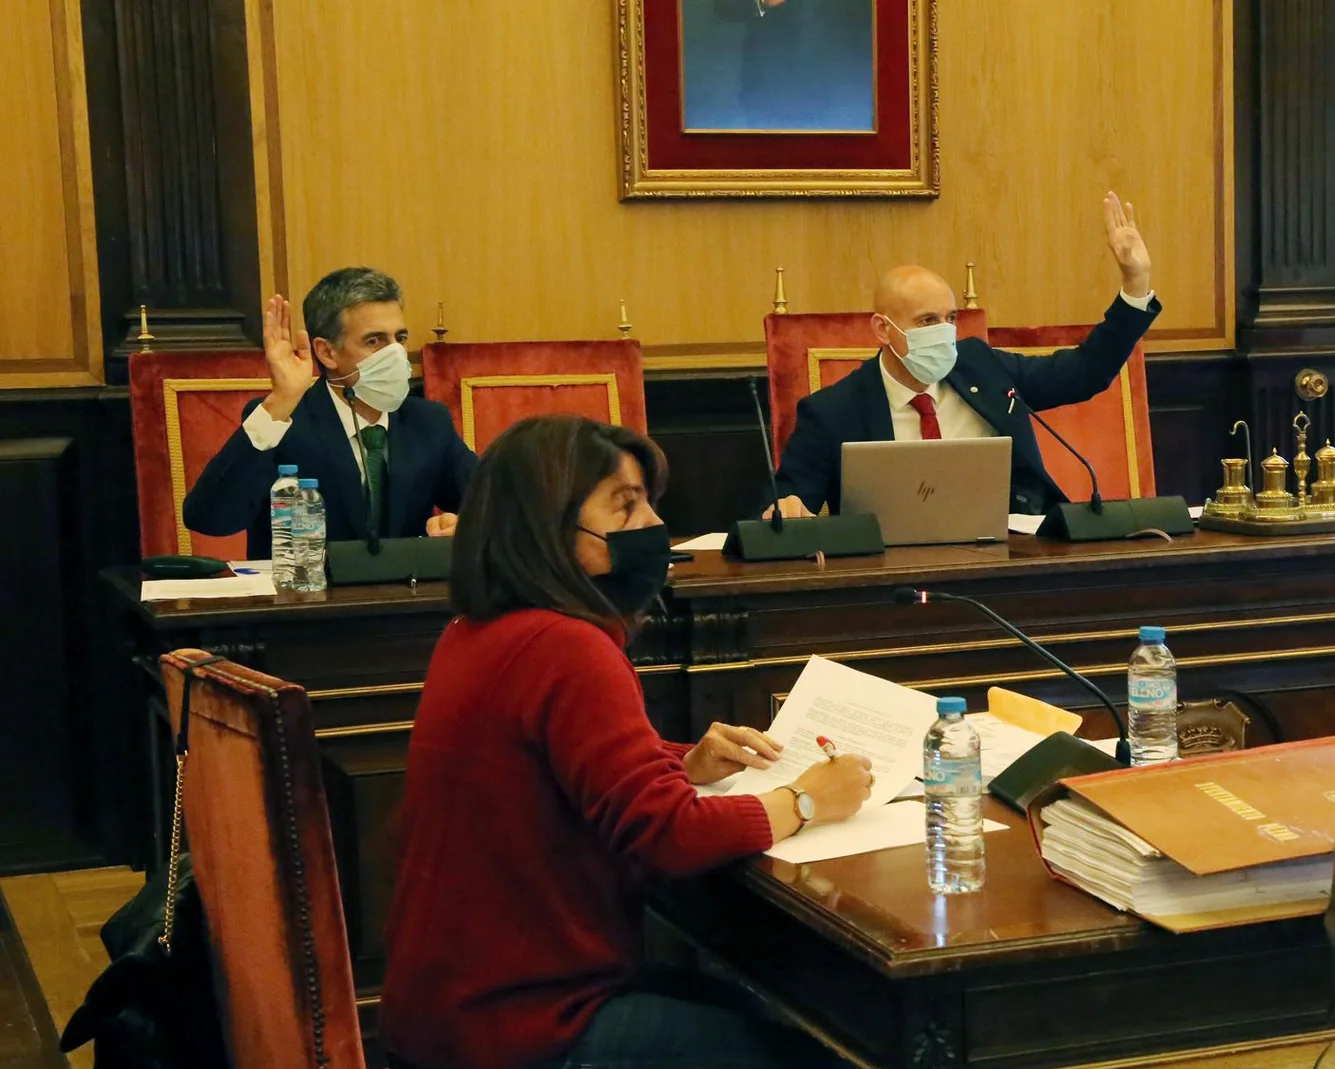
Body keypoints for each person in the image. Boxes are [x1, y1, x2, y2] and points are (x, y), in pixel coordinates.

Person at [380, 415, 870, 1069]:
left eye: (647, 502)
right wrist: (805, 800)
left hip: (447, 1013)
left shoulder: (477, 630)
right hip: (522, 1031)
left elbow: (555, 770)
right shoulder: (567, 645)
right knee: (827, 1053)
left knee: (765, 1015)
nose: (650, 526)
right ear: (550, 528)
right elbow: (668, 835)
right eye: (625, 504)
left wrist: (681, 762)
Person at [765, 192, 1159, 519]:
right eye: (927, 321)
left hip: (1007, 560)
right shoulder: (833, 411)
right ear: (883, 329)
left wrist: (1135, 283)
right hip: (892, 581)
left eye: (950, 318)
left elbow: (1085, 372)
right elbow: (786, 509)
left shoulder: (982, 368)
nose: (944, 332)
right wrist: (788, 510)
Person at [182, 267, 477, 558]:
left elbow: (496, 507)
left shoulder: (427, 422)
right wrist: (280, 403)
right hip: (307, 600)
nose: (395, 353)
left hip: (406, 600)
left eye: (399, 338)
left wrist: (463, 527)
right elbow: (209, 519)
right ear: (327, 353)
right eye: (375, 341)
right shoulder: (284, 422)